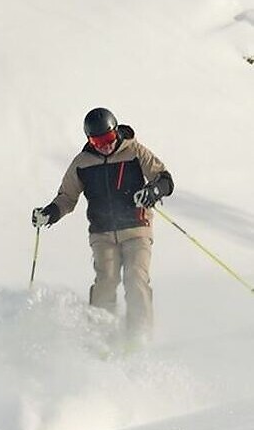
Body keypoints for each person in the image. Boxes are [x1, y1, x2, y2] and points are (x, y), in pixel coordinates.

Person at [31, 108, 174, 347]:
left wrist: (153, 191)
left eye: (108, 139)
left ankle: (139, 338)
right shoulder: (82, 163)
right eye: (97, 141)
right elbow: (66, 197)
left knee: (135, 278)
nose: (105, 146)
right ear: (89, 139)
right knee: (105, 282)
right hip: (102, 234)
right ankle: (100, 339)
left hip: (137, 229)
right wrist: (50, 213)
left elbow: (165, 179)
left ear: (116, 132)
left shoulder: (134, 151)